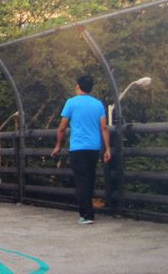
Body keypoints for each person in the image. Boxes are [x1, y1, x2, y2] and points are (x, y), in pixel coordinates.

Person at [51, 75, 111, 225]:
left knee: (81, 181)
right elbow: (104, 127)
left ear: (78, 86)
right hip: (94, 148)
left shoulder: (71, 103)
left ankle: (86, 215)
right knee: (89, 180)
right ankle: (88, 211)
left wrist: (58, 145)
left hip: (78, 147)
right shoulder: (98, 104)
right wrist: (107, 148)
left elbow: (62, 127)